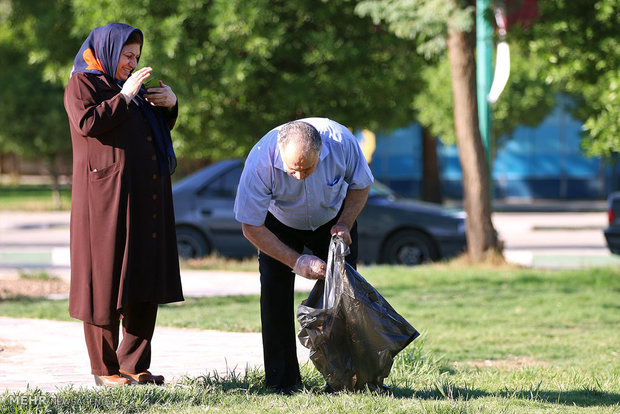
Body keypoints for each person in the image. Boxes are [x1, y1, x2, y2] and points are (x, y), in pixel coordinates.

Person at [64, 23, 183, 387]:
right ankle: (105, 370)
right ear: (109, 50)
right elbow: (88, 122)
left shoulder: (123, 88)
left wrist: (170, 105)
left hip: (144, 199)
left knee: (143, 275)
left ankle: (133, 364)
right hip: (104, 202)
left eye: (136, 57)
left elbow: (152, 132)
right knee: (103, 280)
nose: (132, 64)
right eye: (127, 56)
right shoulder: (82, 84)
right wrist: (126, 95)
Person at [233, 118, 374, 394]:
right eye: (291, 169)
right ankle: (281, 381)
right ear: (279, 153)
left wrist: (345, 223)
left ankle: (347, 379)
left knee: (345, 295)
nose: (299, 176)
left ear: (321, 153)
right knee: (274, 295)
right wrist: (296, 261)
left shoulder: (342, 143)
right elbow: (250, 225)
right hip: (278, 222)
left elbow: (360, 185)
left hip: (332, 218)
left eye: (307, 168)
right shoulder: (260, 161)